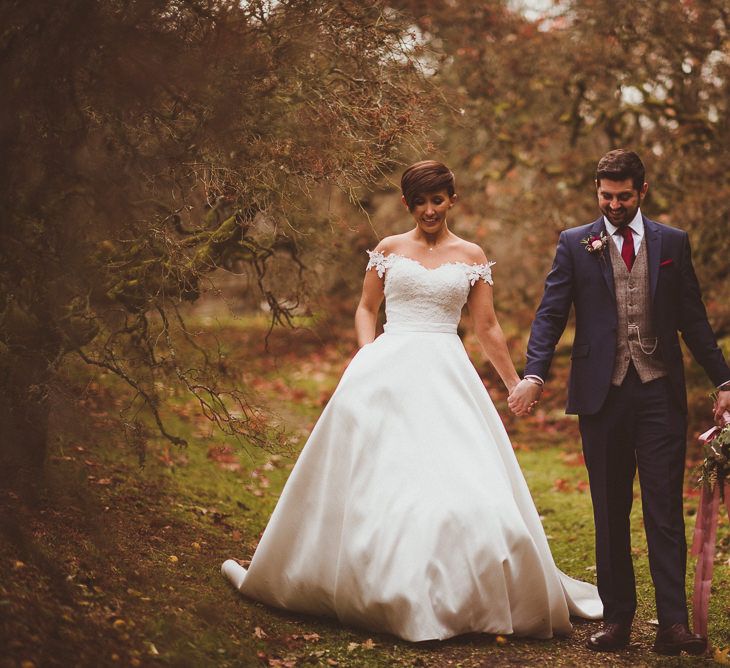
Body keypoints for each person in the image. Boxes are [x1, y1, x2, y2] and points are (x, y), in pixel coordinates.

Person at [222, 160, 602, 642]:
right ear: (407, 204)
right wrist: (367, 355)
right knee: (383, 476)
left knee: (453, 475)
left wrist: (514, 382)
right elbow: (367, 308)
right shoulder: (388, 249)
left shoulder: (471, 255)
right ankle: (373, 580)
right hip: (387, 366)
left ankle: (457, 591)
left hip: (446, 369)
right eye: (419, 202)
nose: (429, 210)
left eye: (437, 200)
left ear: (452, 199)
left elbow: (485, 327)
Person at [509, 149, 730, 654]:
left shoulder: (672, 243)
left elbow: (693, 319)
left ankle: (673, 624)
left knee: (664, 509)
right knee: (609, 508)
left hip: (658, 392)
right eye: (605, 196)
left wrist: (723, 380)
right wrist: (535, 373)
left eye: (622, 196)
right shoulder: (573, 244)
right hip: (601, 395)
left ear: (642, 191)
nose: (613, 204)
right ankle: (618, 620)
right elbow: (550, 315)